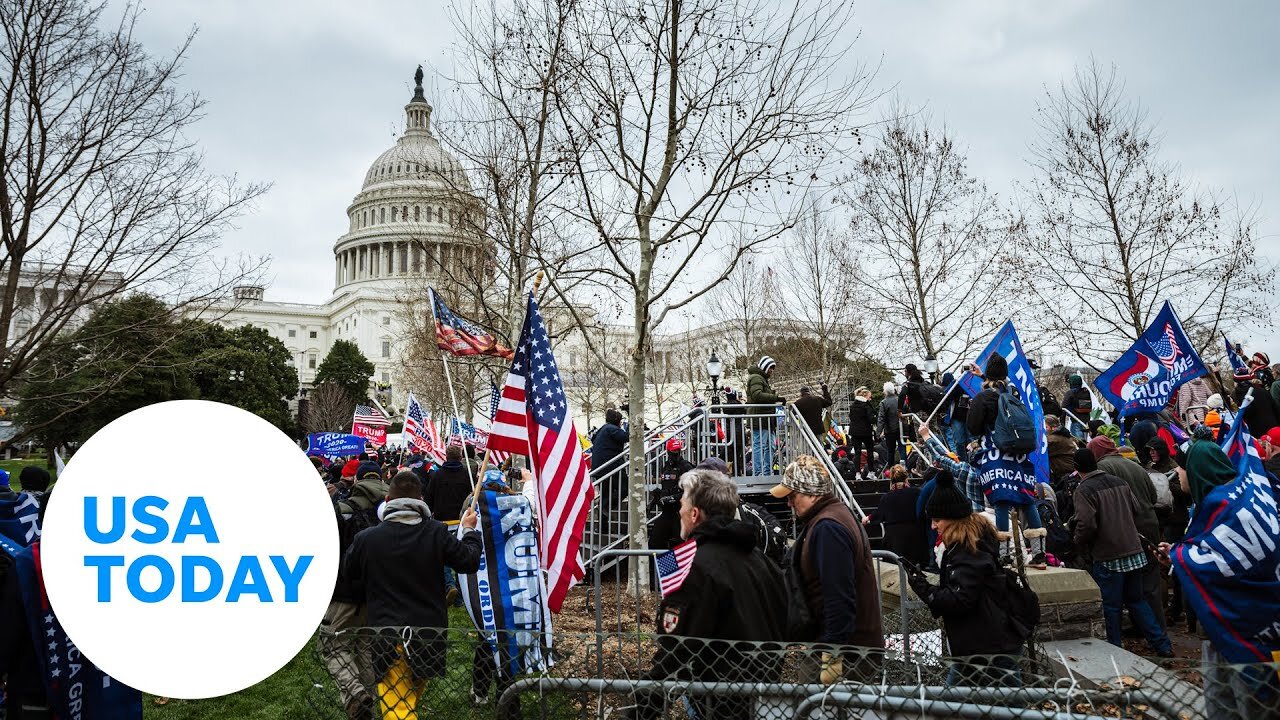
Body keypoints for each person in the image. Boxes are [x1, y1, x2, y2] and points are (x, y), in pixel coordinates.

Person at [632, 469, 787, 720]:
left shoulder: (694, 566)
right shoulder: (761, 560)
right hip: (765, 692)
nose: (679, 511)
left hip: (719, 699)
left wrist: (646, 702)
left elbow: (676, 645)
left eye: (683, 503)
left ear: (694, 514)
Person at [342, 471, 481, 720]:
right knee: (406, 702)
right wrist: (470, 531)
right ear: (421, 500)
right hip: (429, 634)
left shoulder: (367, 539)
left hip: (388, 635)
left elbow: (348, 574)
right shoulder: (436, 533)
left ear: (387, 501)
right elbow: (468, 560)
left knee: (400, 707)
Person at [907, 470, 1025, 688]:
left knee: (1006, 704)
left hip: (988, 644)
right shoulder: (969, 546)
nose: (933, 526)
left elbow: (960, 599)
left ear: (953, 520)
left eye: (937, 520)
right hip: (980, 643)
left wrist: (925, 589)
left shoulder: (968, 551)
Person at [772, 456, 884, 682]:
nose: (789, 503)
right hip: (849, 647)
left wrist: (831, 658)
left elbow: (838, 596)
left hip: (845, 651)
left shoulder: (828, 528)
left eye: (793, 496)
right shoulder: (834, 516)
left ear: (812, 494)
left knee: (814, 708)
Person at [1070, 449, 1173, 656]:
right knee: (1137, 601)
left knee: (1111, 607)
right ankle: (1163, 646)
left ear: (1077, 468)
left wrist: (1077, 541)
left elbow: (1086, 524)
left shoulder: (1084, 490)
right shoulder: (1119, 482)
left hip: (1108, 555)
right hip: (1133, 550)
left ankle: (1116, 652)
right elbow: (1135, 509)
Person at [965, 355, 1048, 568]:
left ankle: (1003, 555)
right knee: (1027, 500)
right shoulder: (1013, 393)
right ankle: (1039, 554)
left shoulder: (983, 398)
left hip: (996, 455)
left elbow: (973, 427)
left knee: (1001, 502)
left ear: (989, 375)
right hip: (1020, 457)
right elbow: (1001, 389)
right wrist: (982, 375)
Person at [325, 463, 388, 720]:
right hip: (376, 593)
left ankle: (355, 694)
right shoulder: (389, 512)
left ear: (357, 481)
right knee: (365, 645)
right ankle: (368, 705)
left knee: (332, 643)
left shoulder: (343, 509)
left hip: (343, 590)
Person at [1088, 434, 1165, 630]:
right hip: (1151, 524)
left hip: (1129, 531)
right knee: (1150, 582)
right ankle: (1156, 629)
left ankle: (1145, 629)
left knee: (1131, 588)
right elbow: (1154, 496)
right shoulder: (1136, 466)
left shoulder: (1102, 469)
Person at [423, 447, 474, 607]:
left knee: (443, 555)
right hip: (461, 522)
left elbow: (429, 498)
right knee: (459, 555)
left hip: (442, 522)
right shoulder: (467, 476)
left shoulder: (437, 475)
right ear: (460, 457)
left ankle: (450, 585)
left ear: (446, 457)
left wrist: (428, 515)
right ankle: (459, 595)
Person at [862, 471, 928, 567]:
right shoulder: (916, 492)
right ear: (906, 479)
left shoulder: (887, 497)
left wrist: (868, 518)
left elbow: (879, 514)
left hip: (894, 537)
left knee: (898, 566)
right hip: (915, 534)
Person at [649, 438, 696, 551]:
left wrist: (673, 498)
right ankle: (658, 568)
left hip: (681, 512)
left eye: (677, 451)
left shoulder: (686, 466)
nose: (675, 454)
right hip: (667, 512)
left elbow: (692, 489)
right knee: (655, 542)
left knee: (680, 545)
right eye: (673, 452)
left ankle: (683, 568)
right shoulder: (666, 467)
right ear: (668, 452)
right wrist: (657, 497)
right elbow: (666, 487)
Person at [745, 356, 783, 475]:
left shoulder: (761, 378)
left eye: (773, 368)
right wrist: (775, 397)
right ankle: (758, 472)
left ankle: (766, 471)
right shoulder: (756, 377)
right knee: (760, 446)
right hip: (759, 418)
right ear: (764, 367)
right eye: (770, 368)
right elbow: (757, 395)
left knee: (770, 446)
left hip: (766, 419)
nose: (772, 371)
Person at [939, 371, 972, 462]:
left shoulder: (972, 384)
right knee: (959, 442)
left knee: (972, 440)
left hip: (970, 417)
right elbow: (946, 394)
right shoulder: (955, 385)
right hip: (957, 418)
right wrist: (954, 383)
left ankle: (974, 462)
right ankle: (963, 462)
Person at [846, 386, 877, 480]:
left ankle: (857, 474)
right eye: (869, 397)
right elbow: (871, 419)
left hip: (855, 432)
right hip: (866, 431)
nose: (870, 399)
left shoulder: (853, 405)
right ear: (865, 396)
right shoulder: (866, 405)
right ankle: (871, 472)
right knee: (870, 452)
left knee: (857, 453)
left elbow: (851, 417)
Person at [1044, 416, 1078, 488]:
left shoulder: (1053, 439)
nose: (1043, 429)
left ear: (1053, 427)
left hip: (1064, 472)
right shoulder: (1063, 435)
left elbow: (1040, 450)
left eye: (1045, 427)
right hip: (1067, 469)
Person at [877, 382, 901, 467]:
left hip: (890, 430)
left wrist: (878, 433)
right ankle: (905, 467)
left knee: (891, 451)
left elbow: (881, 419)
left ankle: (892, 469)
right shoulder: (899, 400)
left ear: (885, 391)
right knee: (902, 448)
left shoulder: (884, 402)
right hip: (901, 428)